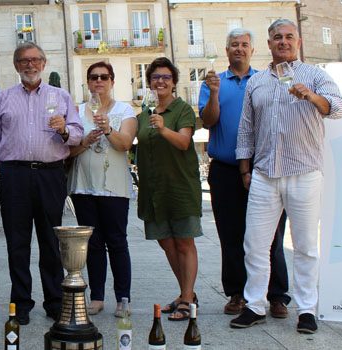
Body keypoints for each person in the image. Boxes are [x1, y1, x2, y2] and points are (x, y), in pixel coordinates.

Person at [230, 19, 342, 334]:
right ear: (268, 44)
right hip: (265, 174)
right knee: (254, 244)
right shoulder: (257, 82)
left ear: (298, 42)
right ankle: (254, 305)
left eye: (289, 37)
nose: (283, 42)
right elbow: (246, 129)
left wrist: (311, 96)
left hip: (304, 172)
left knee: (307, 246)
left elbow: (338, 109)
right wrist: (245, 169)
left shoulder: (316, 76)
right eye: (277, 37)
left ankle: (307, 310)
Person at [0, 42, 83, 326]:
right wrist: (3, 164)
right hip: (14, 175)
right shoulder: (3, 98)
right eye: (23, 61)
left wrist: (64, 129)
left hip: (50, 174)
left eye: (34, 60)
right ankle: (21, 303)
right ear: (16, 66)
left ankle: (54, 301)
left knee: (51, 241)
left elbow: (78, 133)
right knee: (17, 242)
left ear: (44, 63)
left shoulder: (61, 96)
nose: (29, 65)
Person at [199, 28, 291, 318]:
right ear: (226, 51)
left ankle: (276, 295)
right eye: (233, 45)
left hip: (264, 168)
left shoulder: (265, 80)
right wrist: (213, 93)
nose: (239, 49)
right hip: (225, 171)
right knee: (231, 234)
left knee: (273, 235)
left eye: (244, 45)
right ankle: (237, 294)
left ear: (253, 50)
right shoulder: (213, 83)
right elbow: (208, 121)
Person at [135, 57, 202, 321]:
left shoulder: (182, 109)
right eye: (155, 77)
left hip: (180, 186)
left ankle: (186, 298)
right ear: (150, 82)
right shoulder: (144, 113)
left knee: (184, 242)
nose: (160, 81)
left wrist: (163, 129)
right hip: (153, 189)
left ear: (173, 82)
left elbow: (184, 142)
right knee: (166, 243)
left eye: (165, 77)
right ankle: (187, 292)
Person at [68, 61, 136, 317]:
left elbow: (125, 144)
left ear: (112, 81)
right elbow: (69, 151)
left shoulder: (125, 110)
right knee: (93, 244)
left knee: (117, 242)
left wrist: (108, 129)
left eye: (104, 77)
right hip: (84, 186)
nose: (99, 81)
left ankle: (123, 298)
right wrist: (85, 141)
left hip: (114, 187)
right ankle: (97, 297)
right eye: (93, 77)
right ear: (87, 82)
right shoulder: (76, 110)